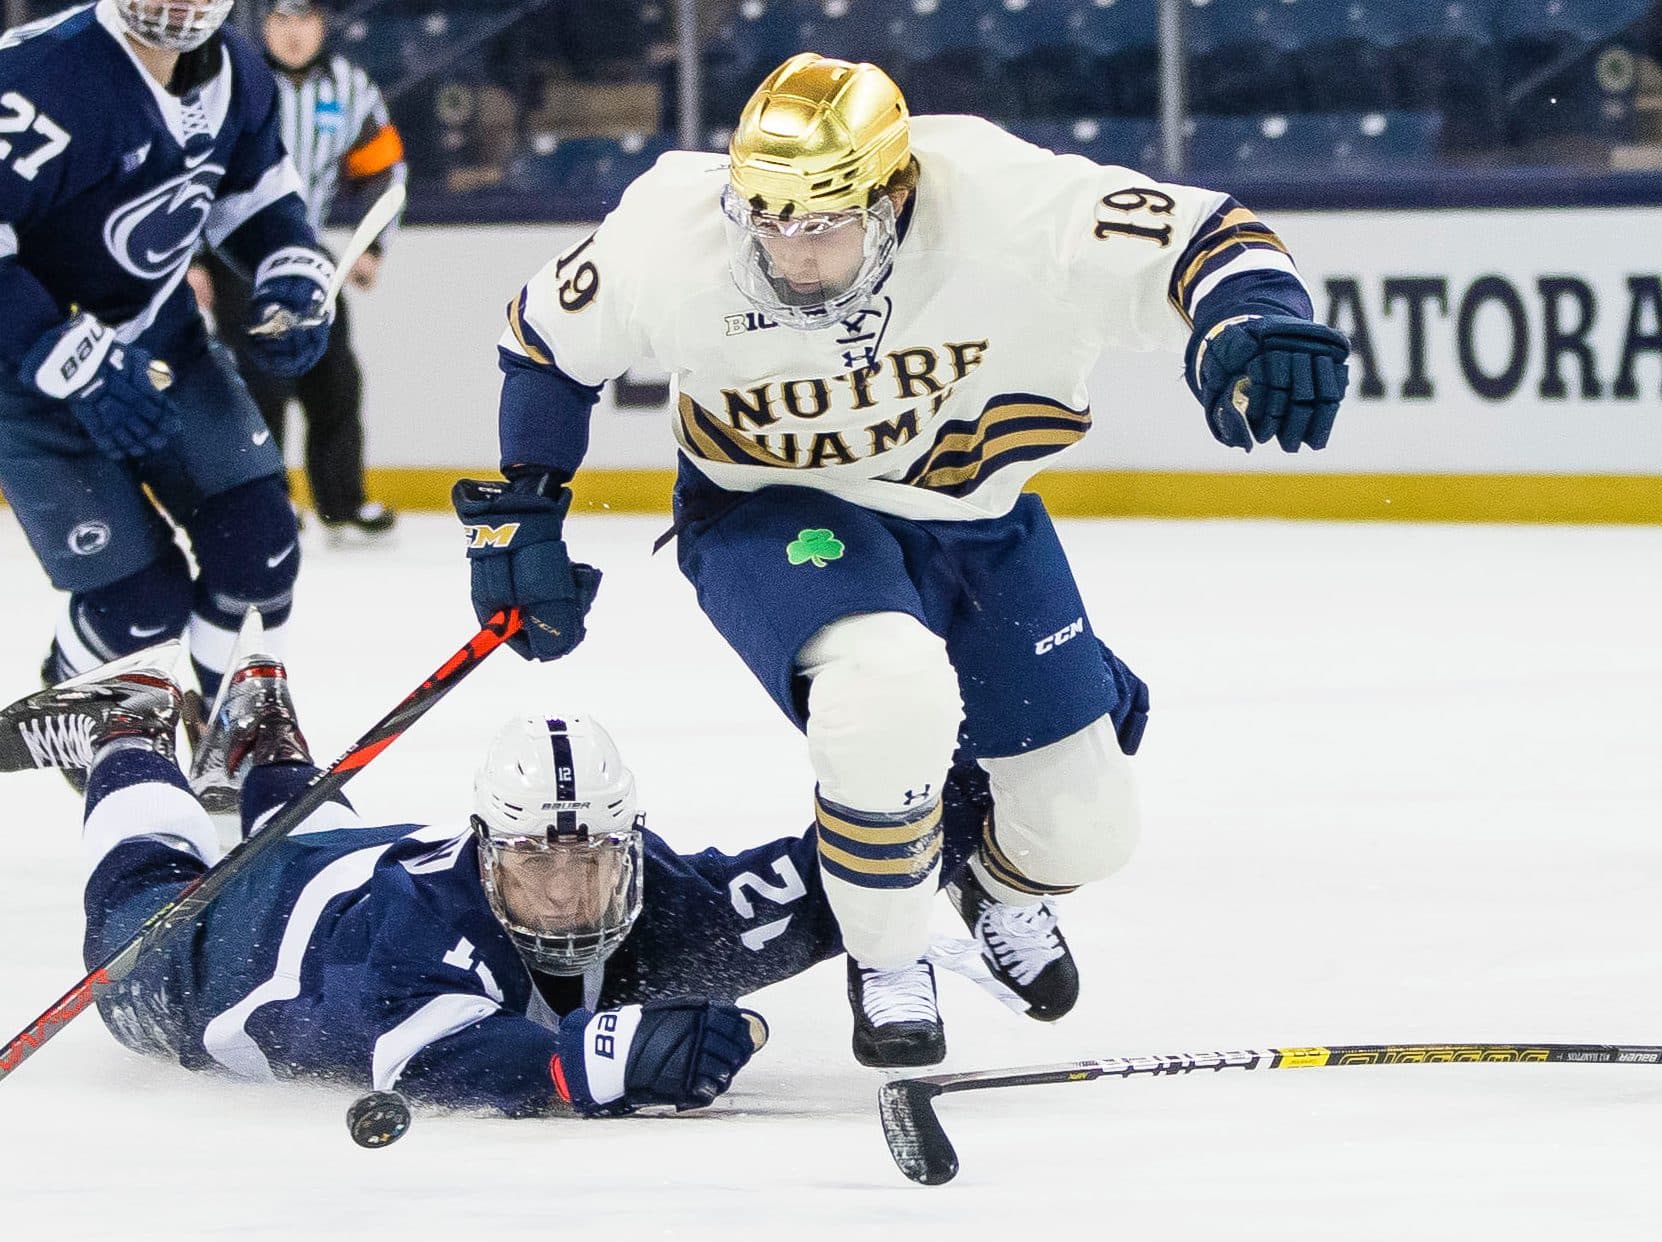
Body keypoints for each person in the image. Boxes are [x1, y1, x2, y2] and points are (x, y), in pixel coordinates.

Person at [457, 55, 1349, 1067]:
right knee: (884, 689)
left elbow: (1207, 235)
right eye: (769, 222)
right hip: (769, 508)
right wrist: (522, 514)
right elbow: (544, 343)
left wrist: (1252, 318)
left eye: (821, 224)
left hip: (976, 518)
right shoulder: (676, 233)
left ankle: (990, 884)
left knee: (1084, 833)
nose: (791, 257)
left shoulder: (1010, 205)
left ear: (893, 191)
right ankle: (884, 956)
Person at [0, 630, 1100, 1110]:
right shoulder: (408, 942)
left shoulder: (666, 906)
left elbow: (840, 861)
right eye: (535, 863)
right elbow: (442, 1062)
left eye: (591, 861)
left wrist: (1010, 777)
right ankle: (130, 733)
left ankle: (265, 744)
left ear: (629, 844)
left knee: (311, 834)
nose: (567, 891)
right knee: (132, 932)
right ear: (491, 854)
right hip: (258, 943)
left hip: (356, 854)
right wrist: (583, 1069)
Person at [0, 0, 332, 714]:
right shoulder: (35, 79)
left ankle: (229, 731)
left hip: (163, 345)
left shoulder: (240, 73)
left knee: (260, 548)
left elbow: (254, 197)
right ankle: (81, 694)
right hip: (25, 382)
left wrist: (289, 269)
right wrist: (67, 356)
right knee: (140, 608)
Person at [190, 0, 404, 544]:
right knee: (263, 376)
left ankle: (342, 501)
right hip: (238, 248)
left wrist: (371, 245)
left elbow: (383, 169)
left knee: (334, 373)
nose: (292, 33)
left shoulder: (350, 86)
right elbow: (191, 169)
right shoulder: (231, 78)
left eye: (303, 19)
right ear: (264, 26)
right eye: (280, 20)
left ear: (322, 24)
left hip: (305, 249)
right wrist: (193, 259)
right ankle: (270, 500)